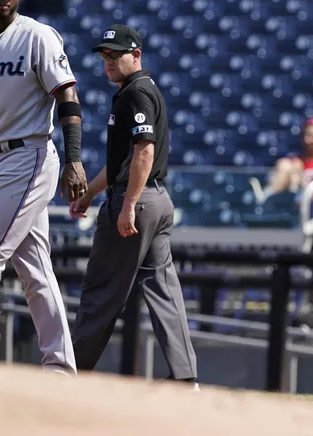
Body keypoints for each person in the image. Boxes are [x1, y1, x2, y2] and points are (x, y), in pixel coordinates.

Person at [68, 25, 198, 386]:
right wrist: (90, 193)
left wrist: (128, 204)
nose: (108, 61)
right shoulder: (140, 89)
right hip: (156, 200)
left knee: (102, 288)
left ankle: (71, 371)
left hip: (138, 202)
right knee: (163, 288)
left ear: (136, 54)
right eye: (104, 56)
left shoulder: (135, 92)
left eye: (116, 54)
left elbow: (144, 151)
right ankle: (186, 377)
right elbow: (121, 159)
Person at [0, 0, 87, 375]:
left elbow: (67, 97)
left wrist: (74, 159)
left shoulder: (35, 36)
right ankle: (60, 367)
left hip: (26, 154)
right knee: (34, 269)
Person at [266, 116, 313, 211]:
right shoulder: (296, 161)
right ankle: (266, 197)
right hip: (290, 209)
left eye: (311, 136)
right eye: (304, 135)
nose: (307, 140)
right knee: (285, 164)